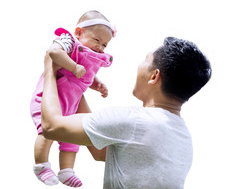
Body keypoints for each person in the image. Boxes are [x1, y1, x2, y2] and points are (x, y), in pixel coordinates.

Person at [41, 37, 212, 189]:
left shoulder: (132, 121)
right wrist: (75, 87)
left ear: (154, 76)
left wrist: (51, 66)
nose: (139, 64)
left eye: (146, 60)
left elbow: (51, 126)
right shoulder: (183, 137)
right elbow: (101, 152)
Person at [30, 10, 116, 187]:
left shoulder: (94, 55)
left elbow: (86, 76)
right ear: (78, 32)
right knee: (47, 133)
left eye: (105, 45)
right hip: (51, 96)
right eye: (96, 40)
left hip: (72, 102)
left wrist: (97, 84)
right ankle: (41, 165)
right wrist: (73, 66)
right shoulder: (69, 41)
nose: (100, 47)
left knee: (71, 138)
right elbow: (53, 52)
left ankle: (66, 170)